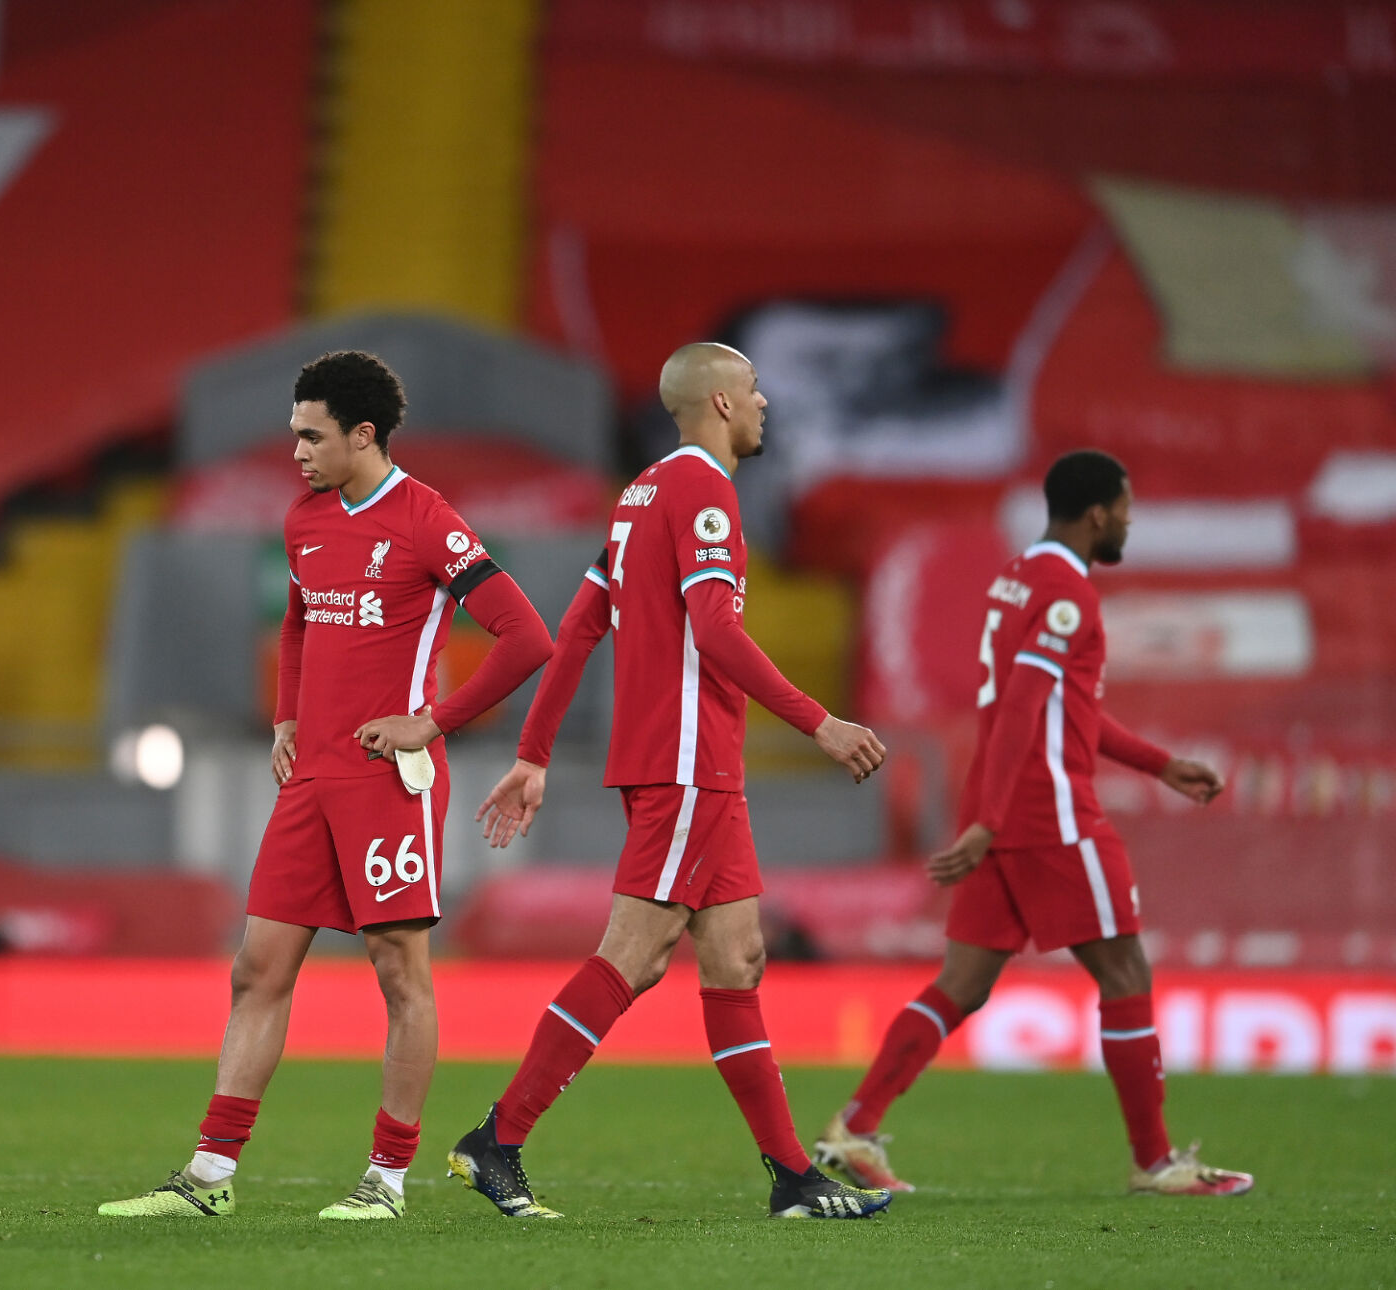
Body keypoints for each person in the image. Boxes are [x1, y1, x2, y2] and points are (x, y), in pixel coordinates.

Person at [99, 350, 552, 1221]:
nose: (297, 452)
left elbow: (527, 636)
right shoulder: (304, 519)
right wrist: (285, 718)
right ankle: (208, 1177)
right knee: (257, 968)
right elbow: (300, 623)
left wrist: (433, 721)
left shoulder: (427, 520)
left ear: (363, 435)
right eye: (294, 435)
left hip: (389, 780)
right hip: (312, 776)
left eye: (312, 436)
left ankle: (387, 1181)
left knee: (398, 973)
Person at [449, 342, 893, 1221]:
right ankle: (498, 1138)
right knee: (635, 954)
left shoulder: (639, 495)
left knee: (737, 957)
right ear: (721, 403)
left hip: (688, 764)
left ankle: (793, 1178)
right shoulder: (704, 492)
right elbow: (717, 632)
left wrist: (535, 754)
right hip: (687, 763)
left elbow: (581, 626)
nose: (764, 403)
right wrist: (821, 722)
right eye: (754, 389)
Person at [814, 450, 1253, 1197]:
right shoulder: (1065, 594)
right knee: (1125, 972)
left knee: (962, 982)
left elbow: (1063, 708)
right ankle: (1155, 1162)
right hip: (1047, 810)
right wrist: (991, 822)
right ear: (1097, 514)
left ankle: (853, 1127)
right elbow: (1023, 705)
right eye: (1125, 508)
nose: (1129, 521)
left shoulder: (1018, 578)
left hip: (1002, 800)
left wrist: (1158, 764)